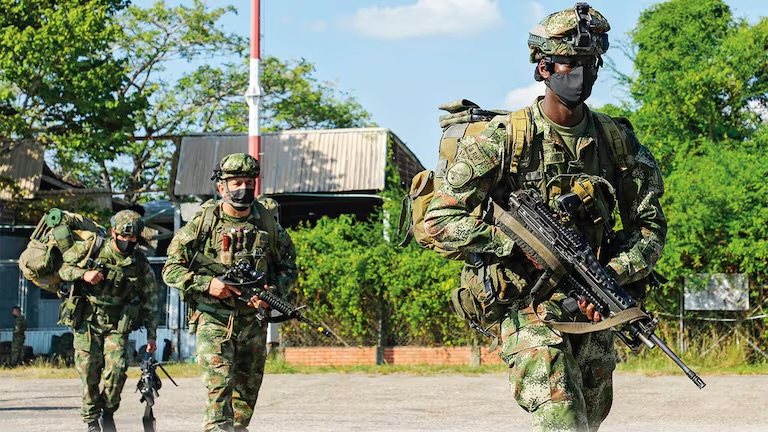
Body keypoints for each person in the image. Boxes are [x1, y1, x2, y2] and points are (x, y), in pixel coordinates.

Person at [424, 3, 666, 431]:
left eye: (590, 63)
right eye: (570, 63)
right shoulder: (503, 140)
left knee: (589, 421)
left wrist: (609, 275)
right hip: (523, 307)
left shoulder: (617, 142)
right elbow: (438, 221)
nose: (581, 73)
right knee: (562, 418)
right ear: (543, 68)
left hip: (592, 302)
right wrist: (515, 242)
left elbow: (649, 228)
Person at [162, 153, 298, 432]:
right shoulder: (203, 222)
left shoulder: (268, 224)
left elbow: (288, 267)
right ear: (221, 186)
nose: (244, 188)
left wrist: (272, 290)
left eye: (249, 181)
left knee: (245, 399)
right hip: (214, 320)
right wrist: (207, 284)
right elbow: (170, 270)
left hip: (253, 322)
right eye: (236, 181)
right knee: (219, 390)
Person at [58, 209, 159, 432]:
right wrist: (84, 274)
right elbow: (64, 270)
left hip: (116, 324)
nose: (128, 241)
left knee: (117, 370)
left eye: (133, 237)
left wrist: (152, 334)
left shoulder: (139, 262)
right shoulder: (93, 249)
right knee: (89, 373)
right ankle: (91, 420)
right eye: (124, 236)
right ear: (114, 232)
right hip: (88, 321)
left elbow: (151, 298)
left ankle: (108, 410)